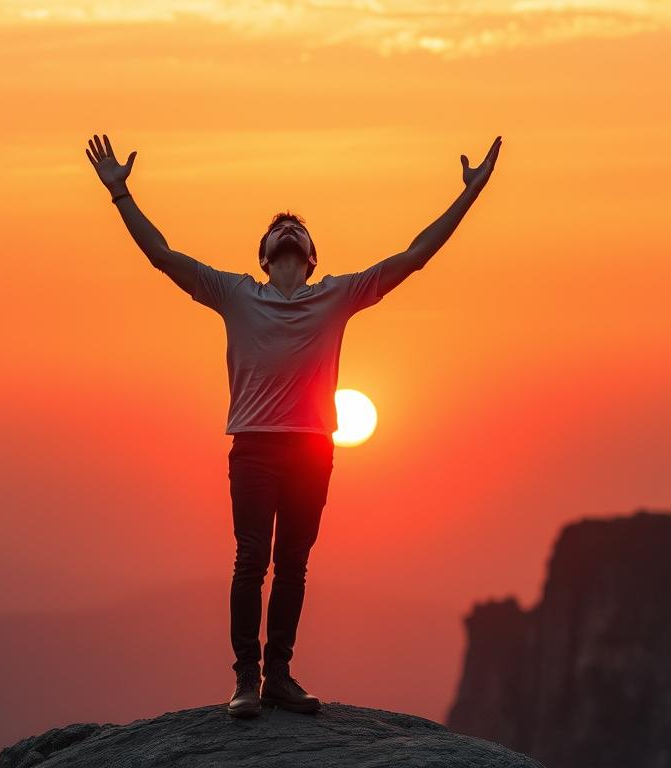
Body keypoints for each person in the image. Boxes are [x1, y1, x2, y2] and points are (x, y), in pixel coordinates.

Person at [84, 132, 502, 718]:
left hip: (311, 451)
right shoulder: (234, 293)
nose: (288, 232)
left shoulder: (337, 296)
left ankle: (279, 674)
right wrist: (121, 195)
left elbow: (414, 256)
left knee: (294, 565)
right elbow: (164, 256)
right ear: (264, 256)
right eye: (278, 231)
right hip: (253, 449)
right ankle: (246, 682)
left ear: (311, 257)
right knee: (252, 559)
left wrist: (470, 195)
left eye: (298, 232)